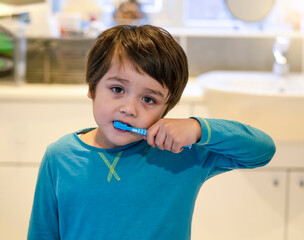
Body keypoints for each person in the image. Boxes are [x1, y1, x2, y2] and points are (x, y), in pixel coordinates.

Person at [27, 25, 276, 240]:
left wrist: (198, 129)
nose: (129, 109)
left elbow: (262, 150)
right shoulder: (59, 157)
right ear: (92, 87)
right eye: (117, 89)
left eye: (148, 99)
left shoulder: (182, 153)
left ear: (165, 109)